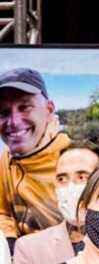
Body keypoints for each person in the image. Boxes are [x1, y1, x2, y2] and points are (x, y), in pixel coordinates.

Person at [0, 68, 71, 247]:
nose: (13, 122)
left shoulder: (79, 161)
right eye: (3, 113)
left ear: (49, 110)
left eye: (24, 107)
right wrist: (10, 242)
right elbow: (2, 213)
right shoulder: (5, 160)